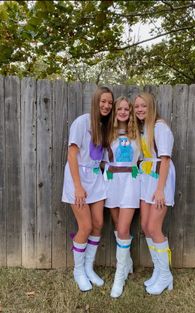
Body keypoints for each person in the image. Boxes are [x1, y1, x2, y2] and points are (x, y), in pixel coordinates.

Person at [62, 86, 114, 291]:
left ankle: (89, 268)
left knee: (99, 223)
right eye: (103, 101)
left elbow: (100, 158)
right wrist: (77, 187)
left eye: (110, 102)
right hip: (78, 178)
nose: (106, 105)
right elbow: (72, 155)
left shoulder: (104, 126)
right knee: (85, 226)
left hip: (95, 177)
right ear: (95, 101)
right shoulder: (82, 122)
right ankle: (78, 271)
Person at [133, 92, 175, 295]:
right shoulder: (144, 129)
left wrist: (160, 190)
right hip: (147, 177)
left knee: (154, 227)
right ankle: (159, 271)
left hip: (160, 180)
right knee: (144, 226)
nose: (140, 109)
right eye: (137, 106)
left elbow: (165, 159)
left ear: (151, 107)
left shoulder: (160, 127)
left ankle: (166, 275)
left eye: (144, 106)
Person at [103, 96, 140, 298]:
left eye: (127, 109)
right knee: (118, 228)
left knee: (124, 228)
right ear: (115, 112)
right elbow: (100, 158)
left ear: (131, 112)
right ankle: (127, 264)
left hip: (131, 183)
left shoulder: (137, 134)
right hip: (111, 181)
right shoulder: (108, 133)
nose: (123, 112)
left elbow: (144, 158)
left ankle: (119, 275)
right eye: (120, 109)